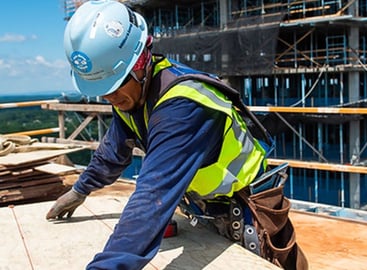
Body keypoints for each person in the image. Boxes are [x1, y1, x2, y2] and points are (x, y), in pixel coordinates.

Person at [46, 1, 307, 269]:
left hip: (247, 211)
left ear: (141, 61)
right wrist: (80, 190)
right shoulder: (132, 97)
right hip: (206, 210)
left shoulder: (184, 106)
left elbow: (152, 195)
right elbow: (112, 153)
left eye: (115, 83)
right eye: (101, 88)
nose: (109, 96)